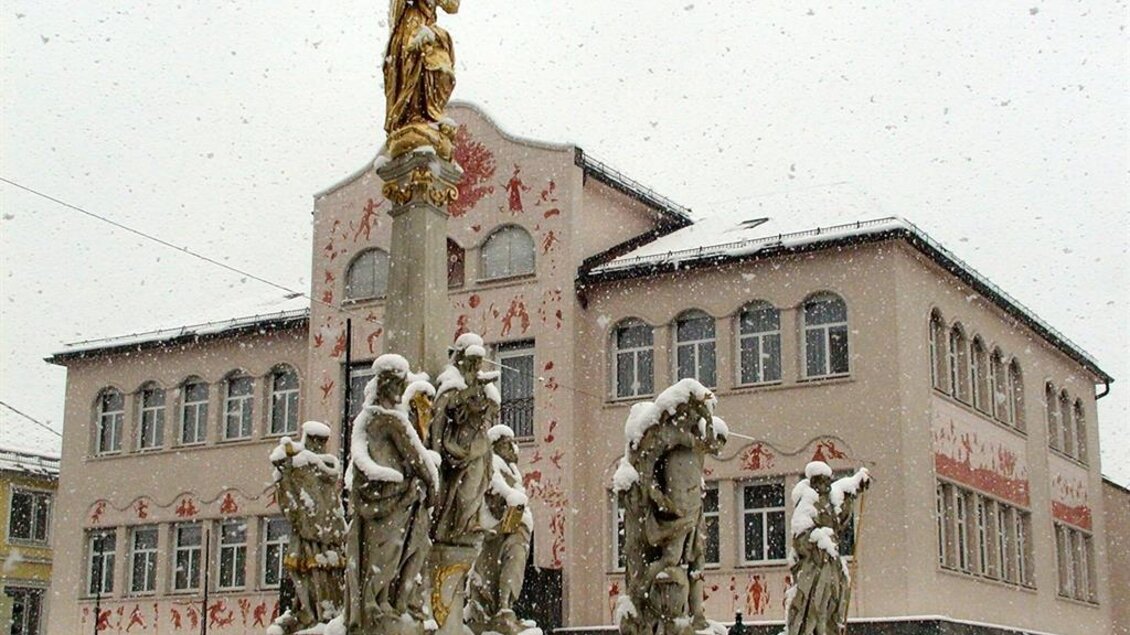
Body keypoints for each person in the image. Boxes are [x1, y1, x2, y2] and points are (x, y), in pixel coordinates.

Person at [345, 354, 438, 632]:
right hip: (385, 498)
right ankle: (377, 602)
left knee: (392, 552)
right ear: (384, 385)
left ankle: (385, 601)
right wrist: (386, 476)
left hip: (396, 498)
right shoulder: (382, 420)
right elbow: (417, 459)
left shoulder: (385, 420)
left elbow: (417, 457)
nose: (398, 389)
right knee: (383, 554)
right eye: (395, 384)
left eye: (400, 383)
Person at [270, 421, 347, 629]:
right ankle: (314, 610)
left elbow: (292, 502)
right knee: (314, 575)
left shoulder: (303, 465)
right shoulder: (316, 465)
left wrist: (284, 474)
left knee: (314, 574)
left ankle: (317, 611)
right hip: (323, 531)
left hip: (314, 530)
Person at [785, 462, 871, 635]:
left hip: (830, 563)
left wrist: (857, 485)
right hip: (815, 566)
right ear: (814, 482)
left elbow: (842, 496)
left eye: (827, 482)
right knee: (813, 606)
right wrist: (818, 540)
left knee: (832, 603)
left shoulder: (829, 502)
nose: (825, 486)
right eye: (821, 482)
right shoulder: (808, 502)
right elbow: (800, 536)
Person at [466, 425, 534, 634]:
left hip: (515, 528)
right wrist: (513, 500)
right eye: (507, 444)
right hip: (496, 530)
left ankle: (506, 606)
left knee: (513, 565)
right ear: (496, 446)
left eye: (512, 443)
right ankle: (500, 608)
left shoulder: (512, 470)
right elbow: (495, 491)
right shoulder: (492, 464)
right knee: (497, 571)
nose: (513, 448)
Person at [383, 0, 460, 158]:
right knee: (414, 73)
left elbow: (452, 6)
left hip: (429, 25)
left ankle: (430, 114)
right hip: (410, 25)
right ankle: (414, 115)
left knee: (443, 72)